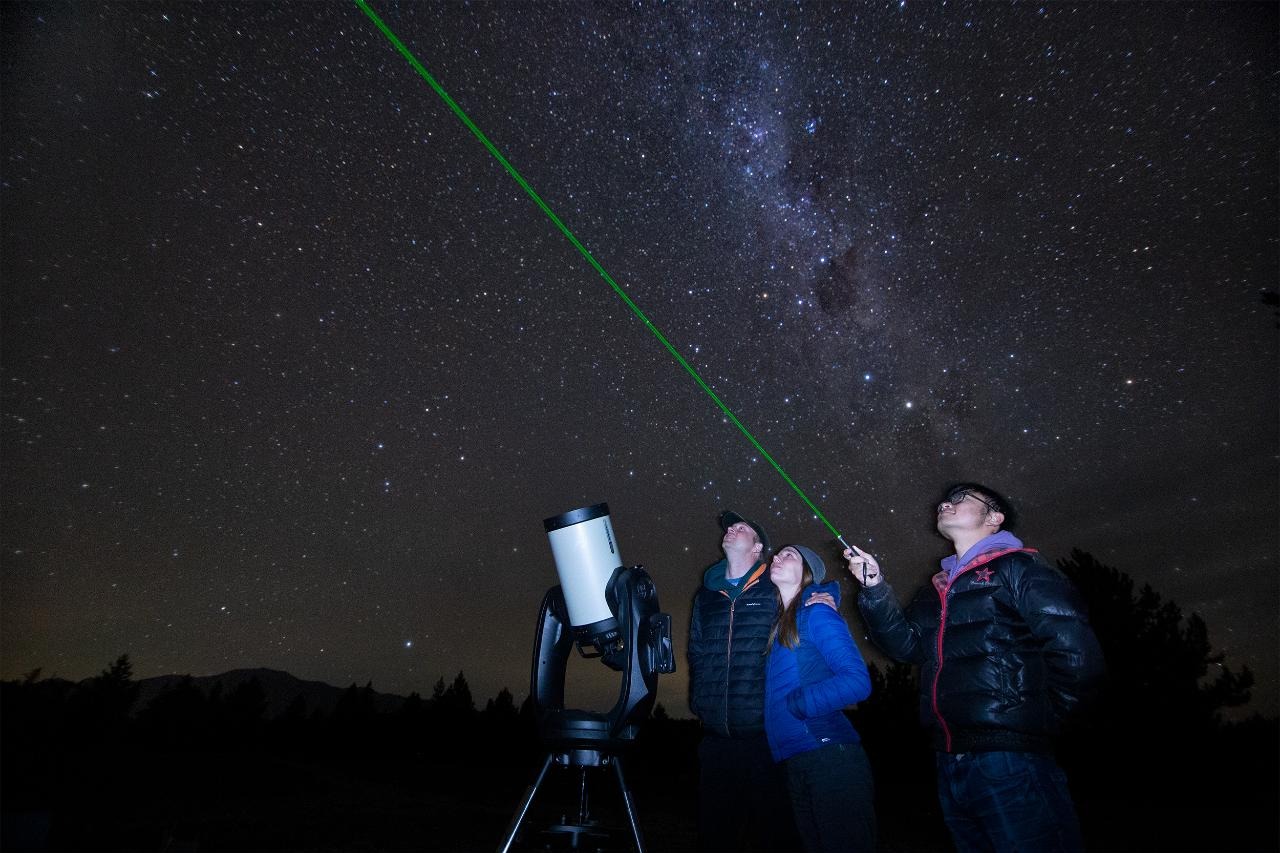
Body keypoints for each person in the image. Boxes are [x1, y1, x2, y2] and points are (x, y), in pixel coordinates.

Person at [846, 482, 1105, 853]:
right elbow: (906, 648)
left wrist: (1038, 721)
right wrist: (874, 590)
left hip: (1011, 759)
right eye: (944, 500)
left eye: (960, 499)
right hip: (949, 759)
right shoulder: (935, 589)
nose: (945, 504)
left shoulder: (1020, 568)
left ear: (994, 518)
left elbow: (1077, 654)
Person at [687, 510, 800, 851]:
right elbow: (696, 649)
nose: (731, 529)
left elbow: (810, 601)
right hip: (715, 736)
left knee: (773, 833)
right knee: (714, 833)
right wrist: (701, 702)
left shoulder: (774, 588)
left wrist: (829, 596)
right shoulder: (705, 595)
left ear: (757, 547)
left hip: (764, 736)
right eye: (729, 526)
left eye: (741, 527)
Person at [765, 544, 875, 852]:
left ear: (807, 573)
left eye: (789, 555)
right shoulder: (781, 626)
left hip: (829, 758)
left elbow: (857, 682)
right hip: (797, 760)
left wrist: (799, 704)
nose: (777, 557)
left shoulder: (817, 613)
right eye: (777, 554)